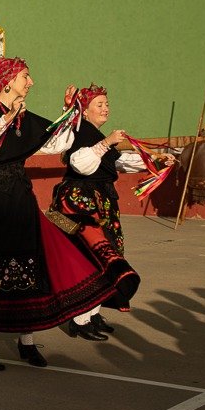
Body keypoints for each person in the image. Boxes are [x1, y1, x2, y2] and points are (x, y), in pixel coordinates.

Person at [0, 57, 117, 370]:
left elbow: (56, 141)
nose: (31, 82)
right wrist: (5, 120)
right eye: (26, 76)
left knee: (29, 265)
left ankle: (27, 341)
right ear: (7, 81)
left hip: (20, 196)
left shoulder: (23, 114)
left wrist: (73, 110)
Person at [51, 84, 175, 340]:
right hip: (80, 205)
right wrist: (107, 142)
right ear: (84, 110)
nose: (106, 108)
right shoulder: (80, 133)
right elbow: (80, 164)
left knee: (105, 257)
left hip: (101, 202)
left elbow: (114, 163)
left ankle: (92, 314)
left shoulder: (95, 134)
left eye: (106, 104)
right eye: (99, 104)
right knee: (89, 257)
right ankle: (79, 319)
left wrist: (154, 161)